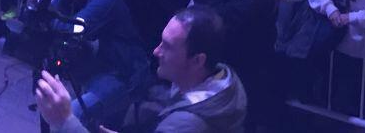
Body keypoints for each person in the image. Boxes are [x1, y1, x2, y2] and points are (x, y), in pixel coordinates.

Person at [37, 7, 247, 133]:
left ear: (198, 60)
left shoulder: (186, 126)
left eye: (168, 46)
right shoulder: (226, 82)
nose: (156, 51)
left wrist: (65, 121)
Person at [28, 0, 150, 125]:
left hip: (120, 74)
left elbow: (73, 28)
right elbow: (36, 21)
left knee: (70, 117)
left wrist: (45, 15)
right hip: (91, 69)